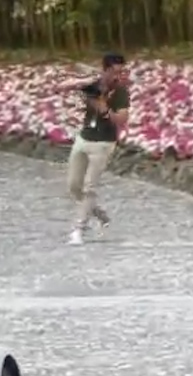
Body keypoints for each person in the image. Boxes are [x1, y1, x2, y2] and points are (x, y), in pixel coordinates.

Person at [66, 52, 130, 245]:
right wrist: (84, 84)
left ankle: (78, 229)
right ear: (105, 69)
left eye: (121, 72)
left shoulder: (120, 92)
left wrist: (105, 110)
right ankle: (101, 216)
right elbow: (64, 87)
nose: (118, 76)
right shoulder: (93, 85)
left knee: (89, 187)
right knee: (74, 186)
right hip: (84, 138)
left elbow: (122, 119)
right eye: (114, 71)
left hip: (103, 143)